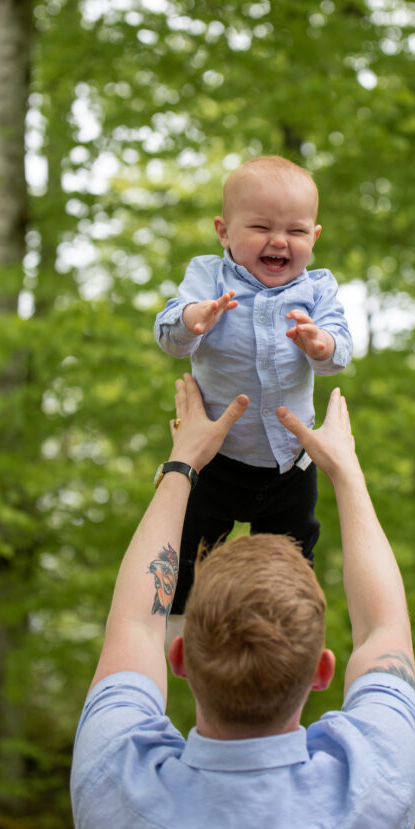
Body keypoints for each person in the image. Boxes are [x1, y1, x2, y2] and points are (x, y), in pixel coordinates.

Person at [71, 374, 415, 829]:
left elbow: (136, 623)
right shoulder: (379, 784)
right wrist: (346, 473)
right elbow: (384, 630)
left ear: (181, 657)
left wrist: (182, 465)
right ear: (323, 670)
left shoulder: (112, 777)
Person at [154, 155, 353, 622]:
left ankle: (286, 633)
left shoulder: (318, 291)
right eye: (261, 227)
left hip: (290, 464)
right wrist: (191, 319)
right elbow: (168, 335)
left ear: (314, 237)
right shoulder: (209, 277)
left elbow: (339, 352)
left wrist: (319, 344)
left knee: (293, 555)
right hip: (216, 459)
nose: (279, 241)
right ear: (224, 232)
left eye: (297, 232)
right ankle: (181, 629)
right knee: (190, 548)